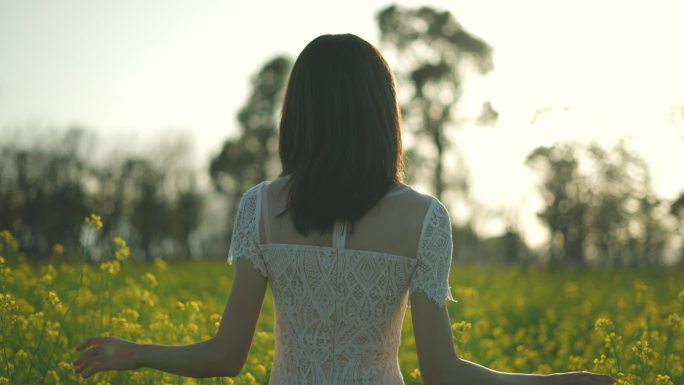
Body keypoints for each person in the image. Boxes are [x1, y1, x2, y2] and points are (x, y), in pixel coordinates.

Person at [73, 34, 616, 385]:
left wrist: (136, 352)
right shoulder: (424, 219)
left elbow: (227, 356)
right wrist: (560, 382)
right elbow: (444, 373)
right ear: (383, 113)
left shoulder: (259, 206)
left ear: (299, 114)